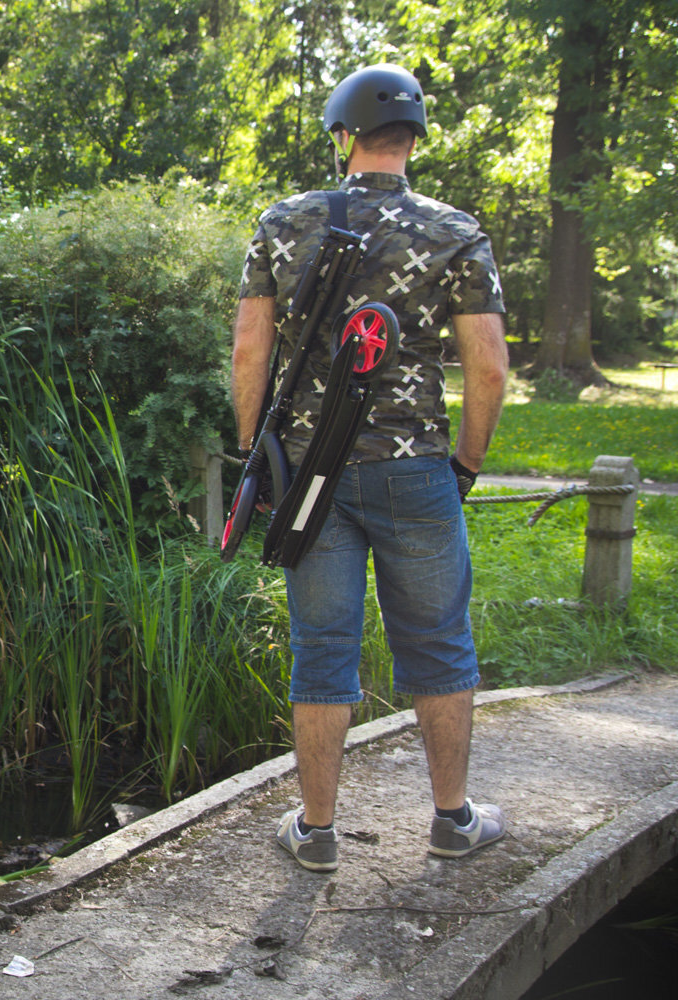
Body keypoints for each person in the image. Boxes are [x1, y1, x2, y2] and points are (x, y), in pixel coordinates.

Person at [232, 63, 510, 872]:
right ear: (412, 139)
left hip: (309, 481)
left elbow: (251, 346)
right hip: (417, 469)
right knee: (440, 646)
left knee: (322, 649)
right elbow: (488, 368)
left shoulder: (284, 222)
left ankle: (316, 835)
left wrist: (263, 452)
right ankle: (452, 820)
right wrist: (466, 463)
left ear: (343, 136)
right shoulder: (454, 231)